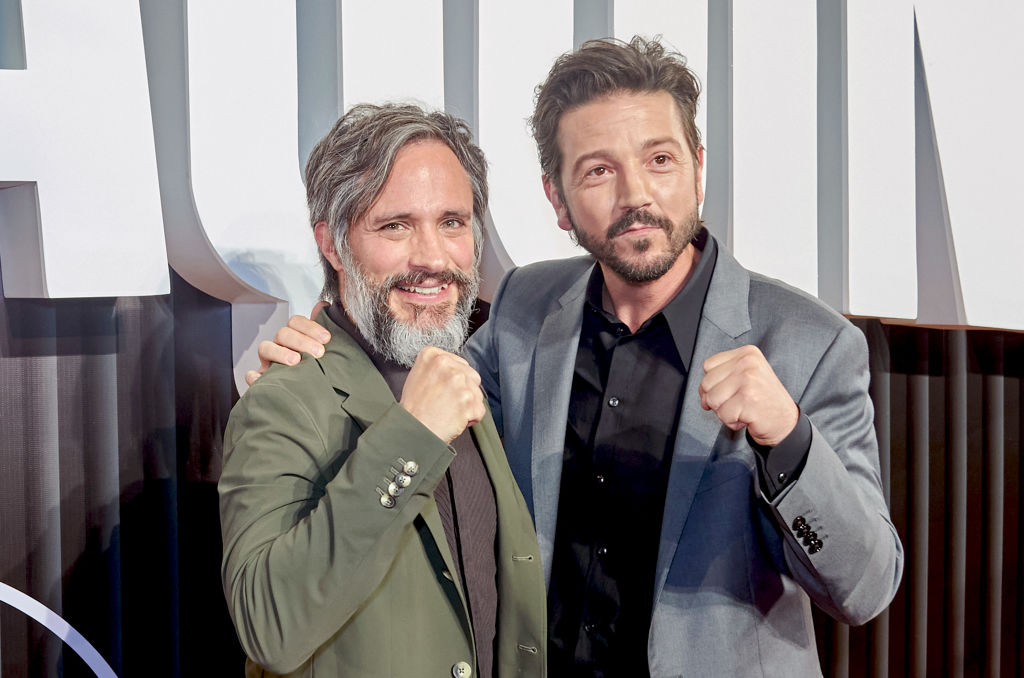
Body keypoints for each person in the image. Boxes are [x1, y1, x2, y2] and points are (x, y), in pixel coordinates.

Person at [253, 37, 903, 677]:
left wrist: (788, 438)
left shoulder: (809, 343)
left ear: (698, 169)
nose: (636, 194)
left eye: (660, 160)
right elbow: (417, 400)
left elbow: (867, 588)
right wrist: (318, 355)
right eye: (598, 171)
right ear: (557, 199)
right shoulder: (527, 307)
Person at [219, 104, 547, 678]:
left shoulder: (473, 371)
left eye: (453, 222)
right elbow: (267, 626)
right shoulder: (285, 399)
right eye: (395, 225)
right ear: (333, 243)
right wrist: (410, 436)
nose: (433, 258)